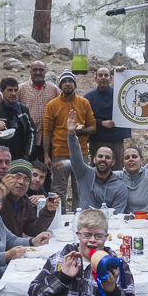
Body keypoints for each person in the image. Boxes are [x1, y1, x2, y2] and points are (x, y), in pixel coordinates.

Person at [43, 69, 96, 206]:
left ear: (75, 84)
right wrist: (46, 155)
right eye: (64, 82)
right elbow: (47, 131)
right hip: (60, 153)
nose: (67, 84)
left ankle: (80, 218)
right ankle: (59, 217)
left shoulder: (84, 102)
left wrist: (82, 131)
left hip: (80, 153)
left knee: (80, 187)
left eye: (70, 81)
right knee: (59, 188)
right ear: (60, 86)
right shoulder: (52, 105)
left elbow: (93, 127)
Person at [66, 111, 128, 212]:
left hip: (108, 225)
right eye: (100, 156)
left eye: (107, 157)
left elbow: (117, 215)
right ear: (94, 159)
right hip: (84, 223)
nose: (103, 159)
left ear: (113, 162)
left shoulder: (120, 186)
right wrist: (72, 134)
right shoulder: (83, 174)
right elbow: (75, 156)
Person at [86, 66, 130, 170]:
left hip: (116, 139)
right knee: (98, 168)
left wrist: (123, 72)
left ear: (111, 78)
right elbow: (85, 119)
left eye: (106, 75)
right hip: (97, 138)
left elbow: (132, 87)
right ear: (95, 78)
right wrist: (101, 123)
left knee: (117, 169)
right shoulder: (88, 98)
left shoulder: (120, 94)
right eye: (100, 75)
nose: (103, 77)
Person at [1, 159, 59, 238]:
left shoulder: (25, 203)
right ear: (7, 178)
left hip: (16, 247)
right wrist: (2, 191)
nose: (21, 182)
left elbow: (34, 231)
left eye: (26, 179)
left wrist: (48, 210)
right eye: (17, 177)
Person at [18, 60, 59, 161]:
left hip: (48, 138)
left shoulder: (54, 89)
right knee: (27, 167)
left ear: (45, 72)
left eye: (41, 70)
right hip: (27, 138)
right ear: (30, 72)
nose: (38, 72)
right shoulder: (21, 89)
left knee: (46, 170)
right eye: (35, 70)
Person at [0, 76, 36, 162]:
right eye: (9, 90)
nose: (13, 93)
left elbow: (32, 132)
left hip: (20, 157)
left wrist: (27, 155)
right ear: (1, 91)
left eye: (15, 90)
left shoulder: (22, 109)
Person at [118, 146, 148, 215]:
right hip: (128, 221)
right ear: (123, 163)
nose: (131, 159)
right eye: (127, 158)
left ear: (141, 160)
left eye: (134, 156)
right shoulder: (118, 176)